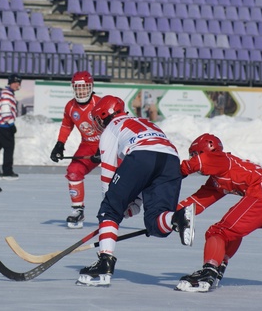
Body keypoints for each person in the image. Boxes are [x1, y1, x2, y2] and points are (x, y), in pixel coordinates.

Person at [76, 95, 194, 287]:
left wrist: (114, 208)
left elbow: (108, 176)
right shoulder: (145, 122)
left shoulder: (110, 130)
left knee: (109, 208)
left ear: (104, 115)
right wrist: (133, 205)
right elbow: (142, 180)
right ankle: (178, 218)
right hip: (171, 159)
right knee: (156, 222)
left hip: (142, 155)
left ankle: (105, 262)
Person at [175, 133, 262, 293]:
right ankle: (217, 267)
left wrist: (175, 172)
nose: (193, 158)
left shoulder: (221, 159)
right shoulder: (218, 178)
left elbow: (200, 162)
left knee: (218, 232)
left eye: (194, 154)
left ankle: (208, 273)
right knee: (233, 231)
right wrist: (173, 215)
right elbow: (199, 200)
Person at [49, 71, 102, 229]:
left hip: (109, 144)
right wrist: (59, 144)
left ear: (91, 87)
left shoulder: (99, 103)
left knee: (121, 176)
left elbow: (112, 127)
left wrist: (103, 149)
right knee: (74, 170)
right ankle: (77, 210)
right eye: (78, 88)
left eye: (85, 88)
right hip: (87, 145)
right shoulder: (70, 106)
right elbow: (66, 125)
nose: (81, 92)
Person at [0, 74, 21, 181]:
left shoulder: (6, 93)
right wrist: (11, 124)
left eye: (18, 82)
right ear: (10, 83)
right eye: (15, 82)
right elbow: (6, 111)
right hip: (3, 125)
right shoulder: (7, 94)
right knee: (9, 147)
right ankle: (7, 172)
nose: (17, 85)